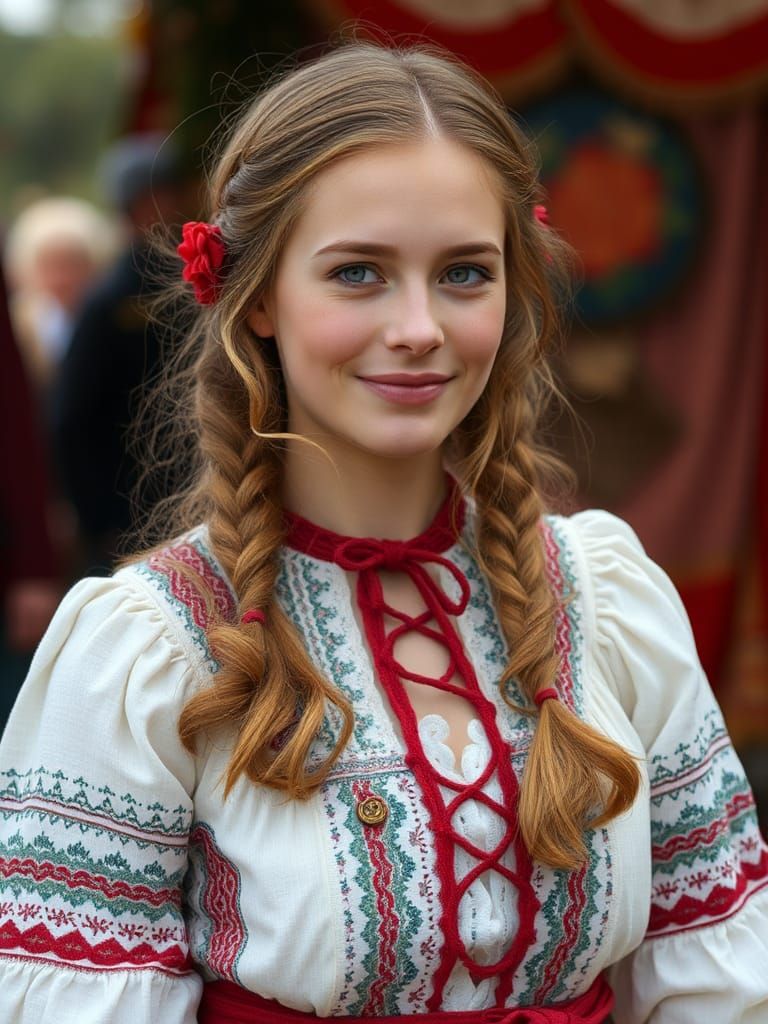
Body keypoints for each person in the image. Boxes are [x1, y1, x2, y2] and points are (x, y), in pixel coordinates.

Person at [0, 42, 766, 1024]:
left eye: (462, 273)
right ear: (261, 295)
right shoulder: (152, 650)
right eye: (359, 272)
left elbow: (721, 981)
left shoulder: (606, 600)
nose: (419, 326)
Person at [50, 134, 184, 574]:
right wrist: (100, 518)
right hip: (131, 516)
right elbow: (72, 419)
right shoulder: (110, 301)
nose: (177, 205)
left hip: (186, 503)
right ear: (135, 206)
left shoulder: (191, 283)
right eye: (162, 195)